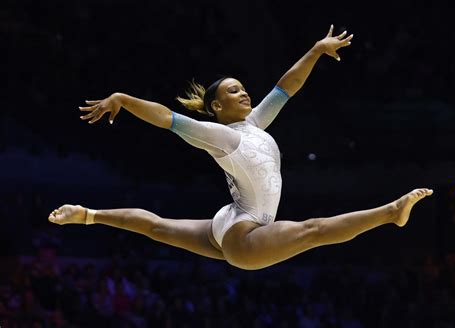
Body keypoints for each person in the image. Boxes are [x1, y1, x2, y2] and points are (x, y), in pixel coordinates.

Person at [49, 25, 433, 270]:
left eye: (243, 86)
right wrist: (123, 98)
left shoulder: (251, 125)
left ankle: (87, 214)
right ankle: (390, 212)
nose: (244, 91)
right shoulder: (219, 136)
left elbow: (285, 88)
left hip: (231, 223)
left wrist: (315, 51)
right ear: (217, 107)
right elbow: (166, 118)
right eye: (234, 90)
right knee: (313, 230)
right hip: (245, 236)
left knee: (156, 226)